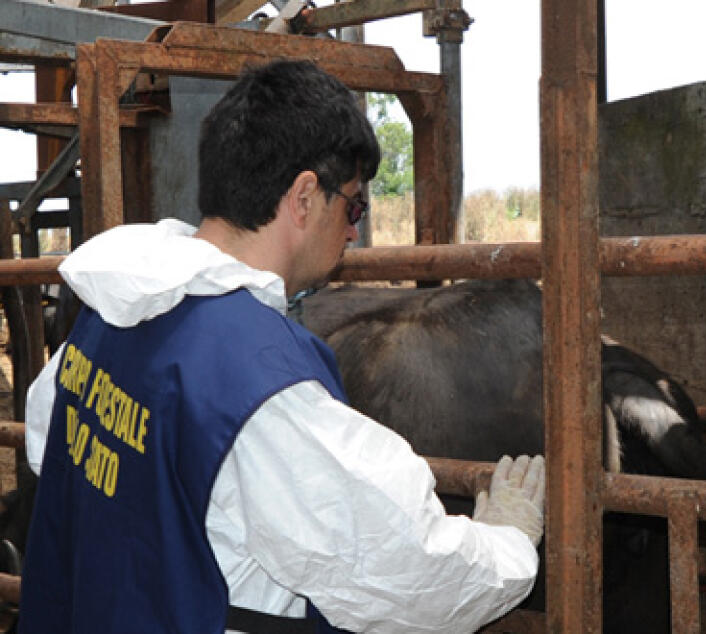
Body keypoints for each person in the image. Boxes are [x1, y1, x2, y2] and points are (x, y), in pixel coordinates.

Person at [19, 59, 545, 633]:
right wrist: (508, 545)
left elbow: (47, 443)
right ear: (303, 197)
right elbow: (403, 567)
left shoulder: (110, 306)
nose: (352, 231)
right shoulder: (257, 379)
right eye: (354, 206)